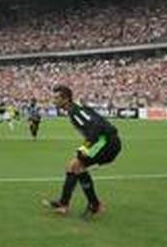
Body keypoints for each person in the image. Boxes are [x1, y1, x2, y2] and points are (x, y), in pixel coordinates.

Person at [42, 84, 119, 218]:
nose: (53, 101)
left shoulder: (75, 111)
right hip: (102, 140)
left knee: (76, 166)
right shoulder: (75, 109)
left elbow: (95, 127)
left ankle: (92, 205)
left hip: (107, 142)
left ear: (65, 99)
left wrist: (85, 147)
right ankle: (66, 203)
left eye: (56, 98)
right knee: (73, 167)